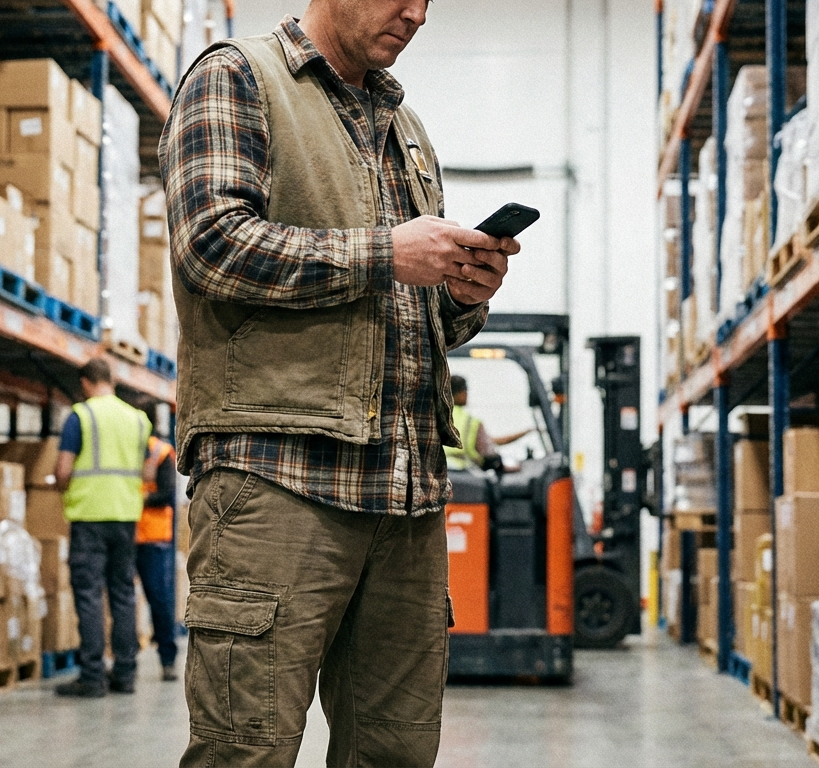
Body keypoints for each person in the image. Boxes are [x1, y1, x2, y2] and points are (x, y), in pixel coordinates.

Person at [159, 0, 520, 763]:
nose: (417, 14)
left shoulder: (406, 127)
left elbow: (418, 311)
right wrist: (386, 253)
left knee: (395, 751)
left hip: (406, 498)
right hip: (278, 485)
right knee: (245, 749)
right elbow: (212, 246)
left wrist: (460, 294)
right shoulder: (237, 77)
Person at [52, 358, 153, 698]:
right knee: (123, 593)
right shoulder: (138, 420)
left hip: (90, 517)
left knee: (90, 594)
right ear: (112, 379)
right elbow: (146, 472)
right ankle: (125, 674)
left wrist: (61, 485)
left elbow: (63, 470)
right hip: (126, 517)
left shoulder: (81, 416)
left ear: (85, 382)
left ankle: (92, 676)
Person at [134, 431, 180, 682]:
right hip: (126, 533)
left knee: (159, 599)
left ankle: (167, 659)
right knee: (123, 600)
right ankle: (125, 660)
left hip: (153, 538)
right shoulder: (126, 447)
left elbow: (167, 494)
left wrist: (138, 499)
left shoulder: (160, 452)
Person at [444, 374, 532, 472]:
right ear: (461, 393)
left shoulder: (434, 415)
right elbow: (488, 451)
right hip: (463, 472)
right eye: (466, 391)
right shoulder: (470, 421)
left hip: (436, 471)